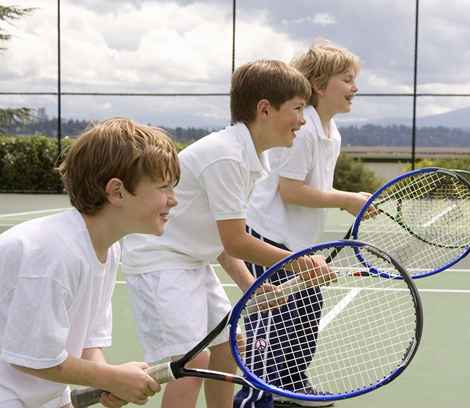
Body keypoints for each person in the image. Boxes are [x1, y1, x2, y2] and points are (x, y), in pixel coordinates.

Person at [121, 60, 327, 408]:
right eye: (296, 109)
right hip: (159, 262)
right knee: (189, 364)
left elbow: (222, 239)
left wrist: (250, 285)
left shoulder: (249, 157)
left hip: (193, 261)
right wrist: (300, 263)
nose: (302, 120)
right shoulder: (227, 156)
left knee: (231, 345)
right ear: (265, 109)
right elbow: (236, 240)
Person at [0, 118, 180, 408]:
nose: (173, 200)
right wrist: (110, 378)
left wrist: (108, 378)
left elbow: (87, 341)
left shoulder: (107, 249)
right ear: (117, 191)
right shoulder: (53, 253)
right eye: (164, 187)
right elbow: (31, 356)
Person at [234, 41, 369, 408]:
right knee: (273, 322)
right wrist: (345, 200)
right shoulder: (305, 127)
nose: (355, 87)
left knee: (307, 312)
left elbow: (317, 188)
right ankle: (254, 397)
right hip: (268, 238)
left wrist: (349, 198)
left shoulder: (331, 132)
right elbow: (291, 190)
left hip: (299, 243)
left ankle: (292, 388)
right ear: (321, 86)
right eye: (347, 79)